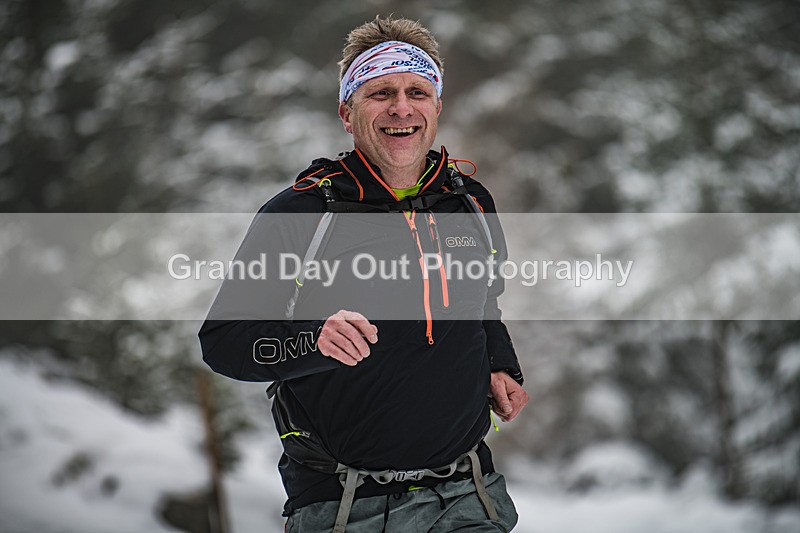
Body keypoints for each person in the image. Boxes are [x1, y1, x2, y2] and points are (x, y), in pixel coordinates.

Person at [199, 15, 528, 532]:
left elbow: (483, 305)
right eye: (379, 93)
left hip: (468, 494)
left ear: (436, 106)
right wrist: (313, 342)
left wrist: (500, 365)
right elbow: (222, 342)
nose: (401, 107)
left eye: (417, 91)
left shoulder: (470, 203)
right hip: (347, 506)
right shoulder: (302, 214)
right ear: (347, 113)